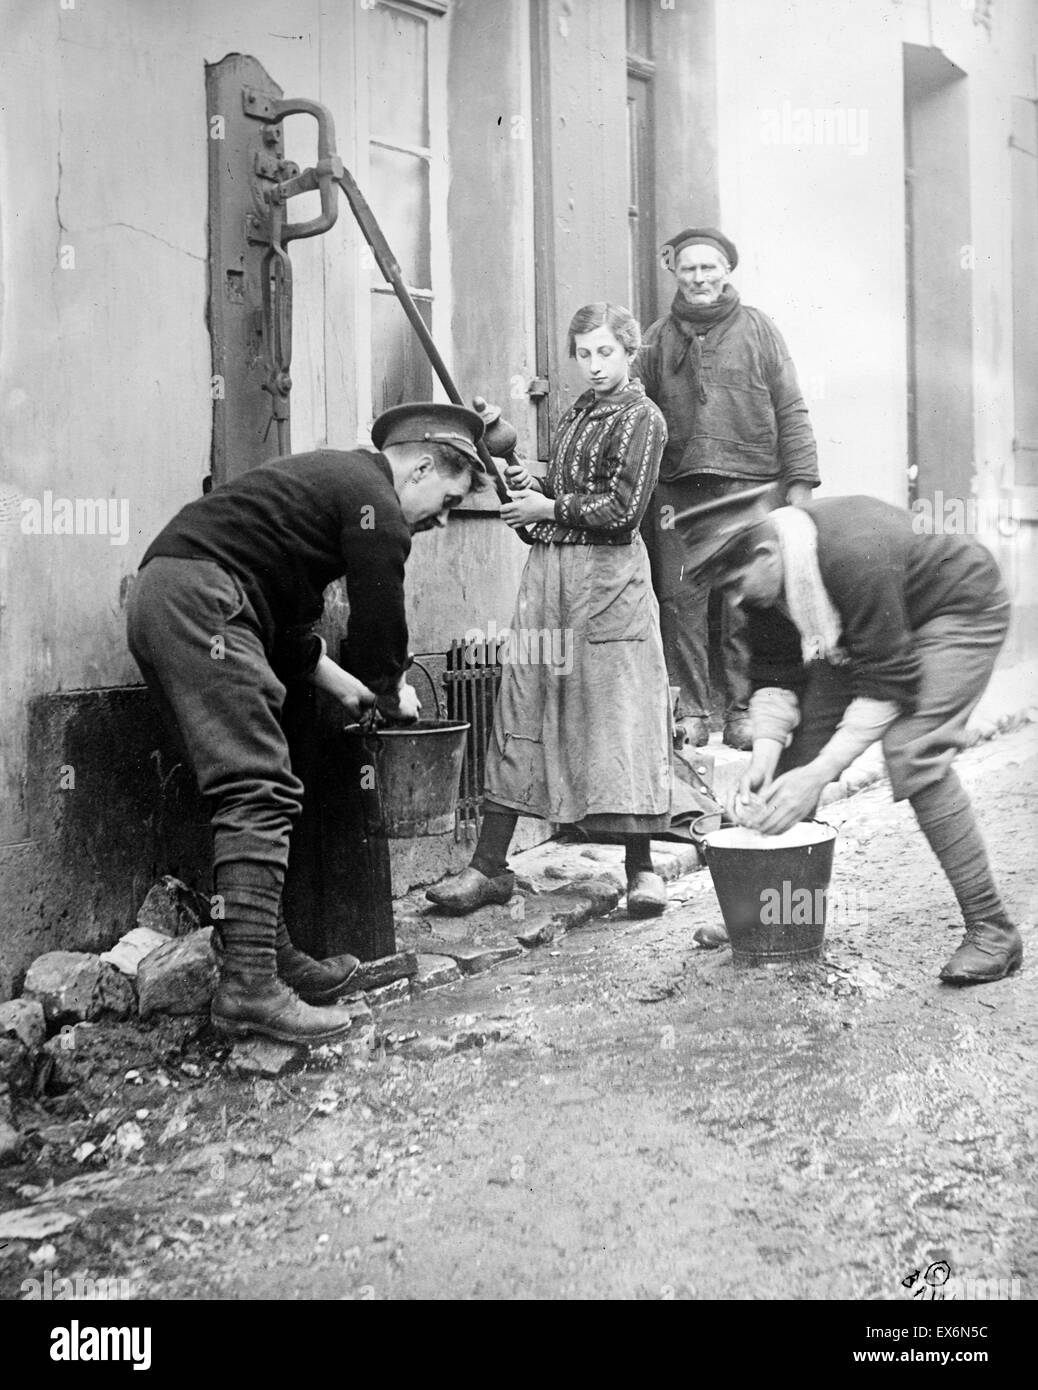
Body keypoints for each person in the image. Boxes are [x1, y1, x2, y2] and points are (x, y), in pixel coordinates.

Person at [127, 404, 486, 1043]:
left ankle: (268, 957)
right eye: (448, 499)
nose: (443, 518)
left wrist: (343, 684)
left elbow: (286, 627)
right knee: (256, 787)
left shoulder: (335, 485)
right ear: (422, 467)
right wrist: (388, 686)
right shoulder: (376, 502)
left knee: (255, 785)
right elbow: (381, 616)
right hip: (205, 602)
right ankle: (249, 990)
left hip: (171, 596)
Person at [682, 489, 1021, 985]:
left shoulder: (853, 554)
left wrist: (818, 776)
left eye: (735, 584)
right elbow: (777, 677)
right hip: (874, 632)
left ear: (765, 555)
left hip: (957, 607)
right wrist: (765, 759)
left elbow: (887, 682)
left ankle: (992, 930)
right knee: (794, 757)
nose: (733, 600)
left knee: (912, 748)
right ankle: (779, 915)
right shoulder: (767, 576)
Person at [427, 303, 673, 918]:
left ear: (628, 352)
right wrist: (521, 491)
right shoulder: (572, 418)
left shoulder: (644, 419)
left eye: (605, 353)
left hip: (610, 584)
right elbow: (543, 520)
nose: (593, 365)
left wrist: (547, 509)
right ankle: (488, 867)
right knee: (522, 703)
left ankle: (641, 869)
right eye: (584, 354)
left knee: (617, 716)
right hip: (550, 580)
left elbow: (621, 514)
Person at [636, 226, 820, 750]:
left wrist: (800, 484)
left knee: (744, 602)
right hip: (678, 489)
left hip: (751, 485)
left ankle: (742, 712)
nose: (699, 278)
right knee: (679, 600)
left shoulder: (760, 330)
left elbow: (791, 405)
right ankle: (692, 712)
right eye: (689, 268)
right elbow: (638, 414)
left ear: (726, 272)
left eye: (709, 268)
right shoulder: (655, 339)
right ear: (676, 273)